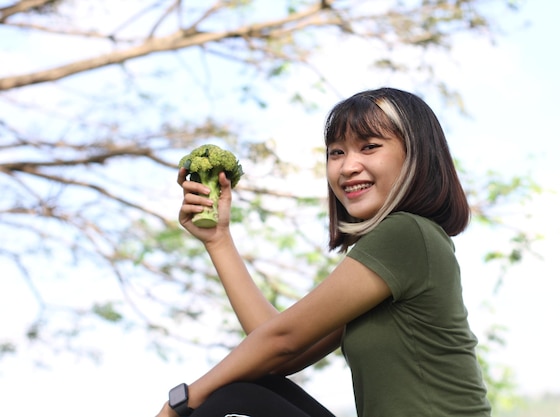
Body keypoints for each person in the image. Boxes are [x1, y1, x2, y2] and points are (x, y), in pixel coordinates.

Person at [156, 87, 491, 417]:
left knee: (234, 399)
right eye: (336, 152)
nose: (347, 167)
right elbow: (281, 350)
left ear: (417, 155)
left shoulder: (406, 233)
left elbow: (281, 340)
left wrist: (180, 403)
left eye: (369, 147)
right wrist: (219, 240)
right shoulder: (400, 245)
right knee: (250, 389)